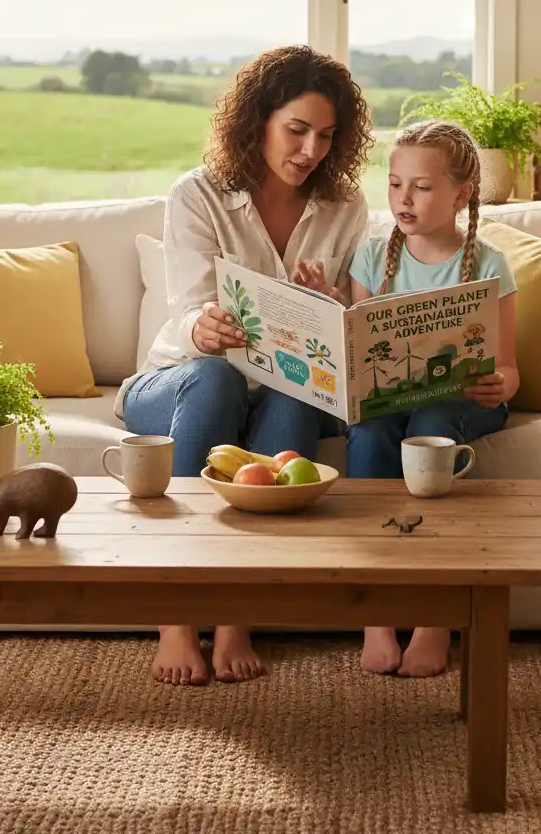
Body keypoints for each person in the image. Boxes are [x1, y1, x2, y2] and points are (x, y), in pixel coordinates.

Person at [115, 45, 372, 686]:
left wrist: (336, 306)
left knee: (296, 393)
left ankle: (235, 614)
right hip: (182, 381)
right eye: (297, 130)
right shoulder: (198, 195)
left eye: (326, 136)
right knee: (218, 377)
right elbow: (185, 311)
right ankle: (175, 615)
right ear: (258, 121)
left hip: (285, 384)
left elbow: (346, 327)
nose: (310, 150)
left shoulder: (345, 207)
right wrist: (203, 328)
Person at [345, 120, 520, 678]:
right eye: (396, 184)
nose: (404, 198)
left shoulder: (489, 265)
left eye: (421, 187)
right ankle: (376, 614)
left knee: (432, 423)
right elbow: (358, 352)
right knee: (369, 432)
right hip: (390, 400)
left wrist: (501, 383)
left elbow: (509, 369)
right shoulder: (373, 257)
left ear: (461, 195)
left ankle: (433, 619)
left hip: (464, 401)